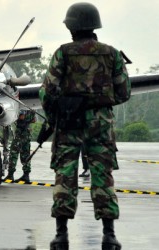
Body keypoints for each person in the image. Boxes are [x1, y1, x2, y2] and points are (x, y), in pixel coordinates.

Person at [40, 2, 130, 249]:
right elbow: (124, 92)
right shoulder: (111, 53)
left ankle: (61, 235)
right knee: (103, 175)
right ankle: (109, 235)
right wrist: (100, 102)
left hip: (69, 122)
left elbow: (47, 93)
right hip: (101, 123)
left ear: (72, 26)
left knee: (65, 174)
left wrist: (54, 117)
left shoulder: (63, 53)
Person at [6, 108, 36, 182]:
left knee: (13, 154)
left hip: (20, 135)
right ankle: (26, 175)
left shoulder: (22, 107)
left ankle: (10, 175)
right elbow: (34, 120)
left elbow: (21, 117)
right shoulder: (31, 109)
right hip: (27, 135)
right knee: (26, 155)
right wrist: (28, 121)